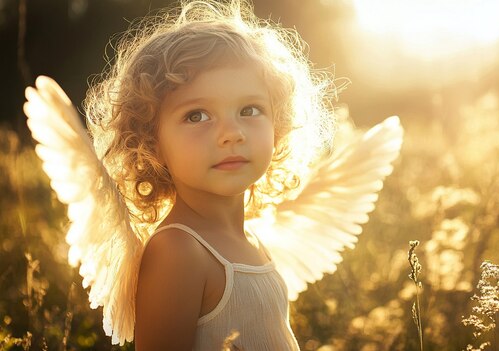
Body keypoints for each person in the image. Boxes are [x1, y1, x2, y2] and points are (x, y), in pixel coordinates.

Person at [23, 0, 403, 350]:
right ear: (151, 144)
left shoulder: (251, 236)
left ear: (279, 125)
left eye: (250, 110)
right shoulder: (179, 252)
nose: (231, 133)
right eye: (197, 116)